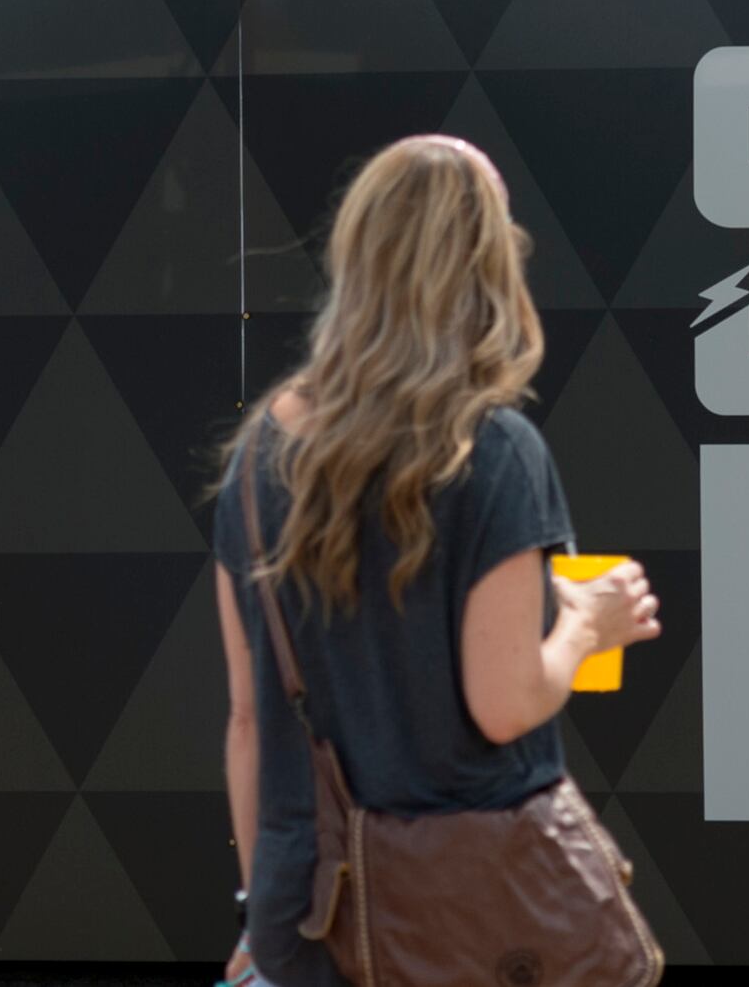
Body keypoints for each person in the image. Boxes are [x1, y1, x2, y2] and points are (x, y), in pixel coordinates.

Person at [213, 135, 659, 987]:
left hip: (309, 917)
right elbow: (503, 704)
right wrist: (585, 625)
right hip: (469, 922)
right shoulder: (493, 454)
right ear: (489, 265)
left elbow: (246, 721)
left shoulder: (257, 461)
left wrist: (260, 903)